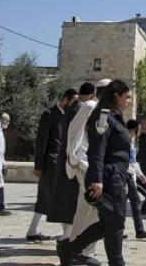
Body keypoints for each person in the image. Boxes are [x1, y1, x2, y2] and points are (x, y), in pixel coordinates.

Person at [57, 80, 134, 266]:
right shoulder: (103, 117)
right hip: (108, 178)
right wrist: (97, 180)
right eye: (127, 97)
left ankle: (69, 249)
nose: (130, 101)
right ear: (116, 96)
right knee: (114, 224)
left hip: (117, 176)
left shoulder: (114, 117)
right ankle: (116, 262)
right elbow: (97, 151)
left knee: (109, 223)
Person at [62, 79, 111, 265]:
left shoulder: (103, 110)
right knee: (94, 209)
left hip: (93, 166)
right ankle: (80, 249)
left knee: (85, 209)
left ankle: (75, 247)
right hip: (84, 164)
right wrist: (74, 158)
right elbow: (74, 131)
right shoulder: (90, 106)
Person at [48, 83, 94, 246]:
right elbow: (76, 137)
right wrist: (76, 160)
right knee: (72, 202)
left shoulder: (73, 108)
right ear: (92, 96)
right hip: (73, 161)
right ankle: (71, 236)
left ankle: (71, 235)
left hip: (68, 158)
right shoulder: (81, 110)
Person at [29, 89, 78, 241]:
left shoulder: (68, 116)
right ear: (65, 100)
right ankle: (67, 234)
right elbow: (41, 141)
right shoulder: (49, 115)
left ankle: (32, 231)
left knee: (48, 198)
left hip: (61, 163)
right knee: (54, 197)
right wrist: (38, 165)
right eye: (73, 101)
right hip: (50, 163)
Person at [125, 119, 146, 239]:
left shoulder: (131, 141)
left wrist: (140, 174)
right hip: (126, 176)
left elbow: (133, 161)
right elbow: (127, 161)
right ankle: (138, 230)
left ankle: (138, 230)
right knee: (132, 202)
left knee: (130, 203)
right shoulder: (125, 141)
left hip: (130, 175)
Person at [0, 112, 11, 216]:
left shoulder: (0, 131)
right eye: (6, 120)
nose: (7, 123)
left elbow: (0, 150)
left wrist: (3, 161)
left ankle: (0, 206)